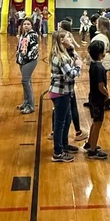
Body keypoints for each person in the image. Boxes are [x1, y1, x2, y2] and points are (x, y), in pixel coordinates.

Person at [48, 30, 82, 161]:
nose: (71, 38)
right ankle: (58, 152)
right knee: (60, 122)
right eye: (68, 37)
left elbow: (73, 58)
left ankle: (64, 144)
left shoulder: (64, 53)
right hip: (60, 92)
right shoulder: (60, 57)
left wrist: (73, 50)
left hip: (65, 92)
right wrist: (79, 67)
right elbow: (70, 75)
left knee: (67, 119)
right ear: (61, 40)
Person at [85, 39, 109, 159]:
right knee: (98, 123)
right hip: (98, 99)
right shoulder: (100, 68)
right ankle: (93, 150)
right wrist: (107, 94)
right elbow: (101, 86)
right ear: (101, 53)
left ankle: (90, 143)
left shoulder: (93, 65)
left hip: (92, 97)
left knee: (95, 122)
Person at [16, 17, 39, 114]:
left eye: (28, 24)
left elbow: (34, 49)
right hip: (22, 61)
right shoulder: (23, 35)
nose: (26, 26)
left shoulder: (33, 35)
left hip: (29, 61)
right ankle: (26, 102)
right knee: (27, 81)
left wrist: (25, 58)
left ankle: (31, 105)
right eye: (24, 24)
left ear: (31, 25)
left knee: (25, 81)